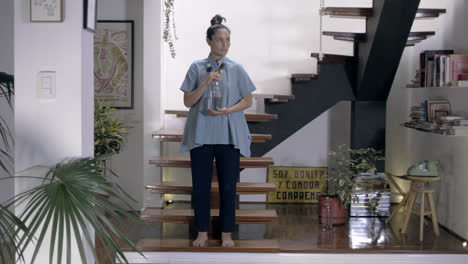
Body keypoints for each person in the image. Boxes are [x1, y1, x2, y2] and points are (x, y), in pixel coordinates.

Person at [179, 14, 256, 247]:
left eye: (228, 40)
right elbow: (187, 102)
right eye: (220, 39)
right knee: (200, 186)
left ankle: (226, 234)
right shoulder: (196, 67)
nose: (224, 44)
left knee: (228, 187)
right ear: (209, 41)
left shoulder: (236, 68)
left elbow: (248, 100)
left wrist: (227, 110)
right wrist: (204, 82)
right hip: (201, 134)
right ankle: (201, 232)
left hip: (228, 134)